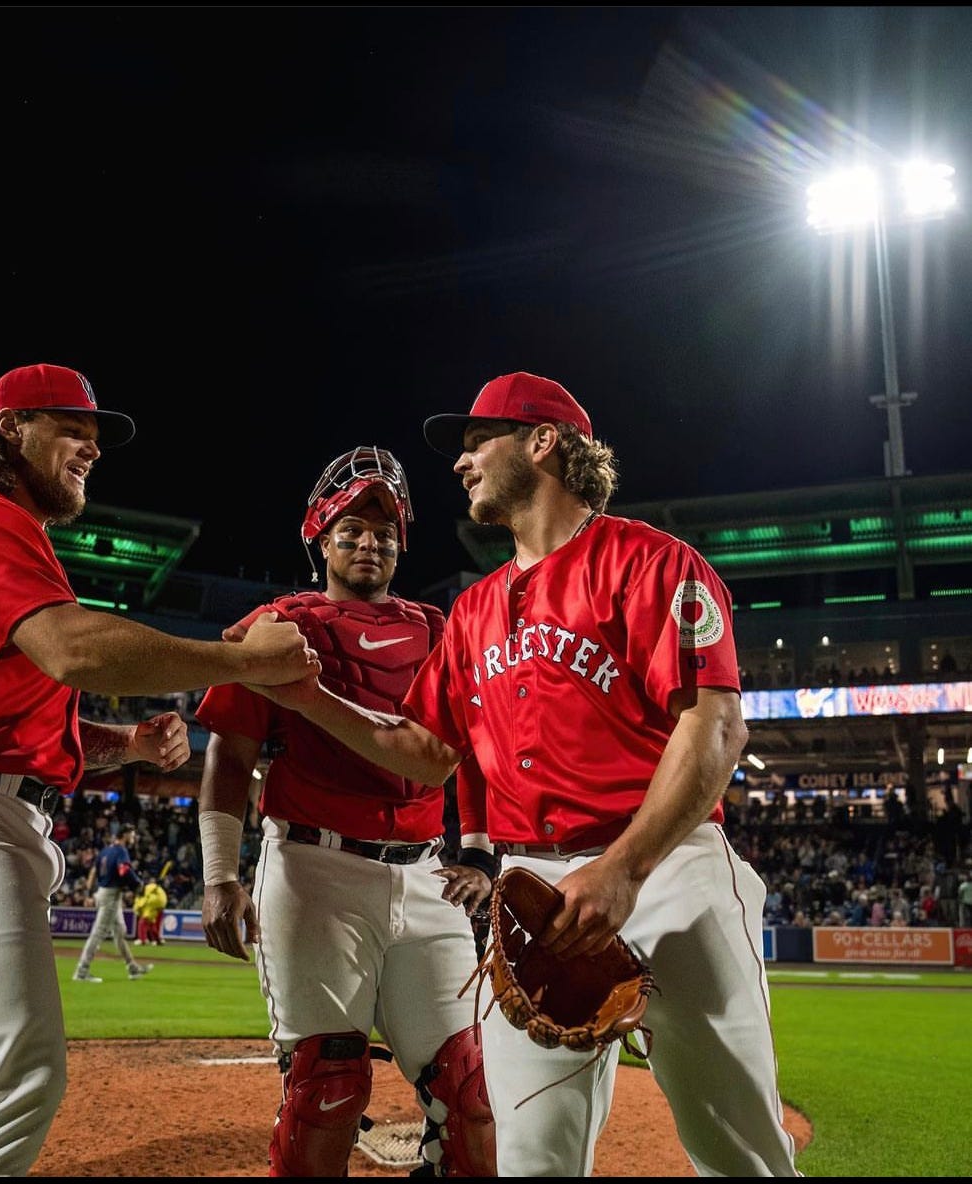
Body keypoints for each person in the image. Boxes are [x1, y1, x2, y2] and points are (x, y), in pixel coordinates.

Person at [241, 373, 800, 1177]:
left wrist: (624, 868)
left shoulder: (651, 563)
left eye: (478, 441)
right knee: (528, 1157)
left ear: (543, 442)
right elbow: (426, 749)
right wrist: (311, 699)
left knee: (736, 1147)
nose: (462, 462)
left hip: (669, 871)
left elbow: (715, 726)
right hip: (535, 886)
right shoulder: (474, 610)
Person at [0, 362, 320, 1177]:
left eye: (96, 438)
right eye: (71, 429)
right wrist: (239, 661)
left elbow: (12, 724)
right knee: (15, 1078)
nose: (92, 448)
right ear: (6, 432)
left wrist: (126, 746)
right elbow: (73, 648)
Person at [195, 445, 497, 1177]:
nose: (371, 543)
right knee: (327, 1085)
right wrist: (217, 874)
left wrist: (482, 854)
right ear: (319, 539)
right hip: (313, 866)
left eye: (385, 532)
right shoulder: (278, 622)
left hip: (425, 872)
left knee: (472, 1087)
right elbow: (229, 757)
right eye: (352, 531)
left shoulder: (437, 625)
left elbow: (477, 748)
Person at [74, 822, 152, 980]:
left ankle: (132, 967)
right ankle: (82, 971)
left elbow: (94, 872)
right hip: (110, 895)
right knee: (98, 933)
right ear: (125, 834)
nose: (134, 837)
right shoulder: (121, 850)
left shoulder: (105, 851)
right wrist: (137, 884)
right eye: (132, 834)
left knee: (119, 933)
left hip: (104, 893)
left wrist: (89, 893)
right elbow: (124, 870)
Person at [133, 871, 168, 945]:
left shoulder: (150, 888)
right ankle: (157, 940)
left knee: (142, 923)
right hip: (152, 908)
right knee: (152, 926)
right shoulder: (141, 895)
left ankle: (143, 940)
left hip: (152, 908)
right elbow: (137, 907)